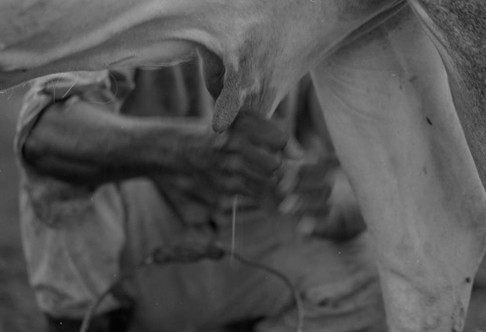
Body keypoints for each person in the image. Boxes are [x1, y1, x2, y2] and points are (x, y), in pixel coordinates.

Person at [15, 59, 383, 332]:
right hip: (137, 236)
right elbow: (44, 131)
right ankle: (90, 321)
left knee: (376, 269)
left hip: (251, 232)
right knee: (61, 177)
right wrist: (183, 151)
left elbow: (368, 162)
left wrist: (342, 200)